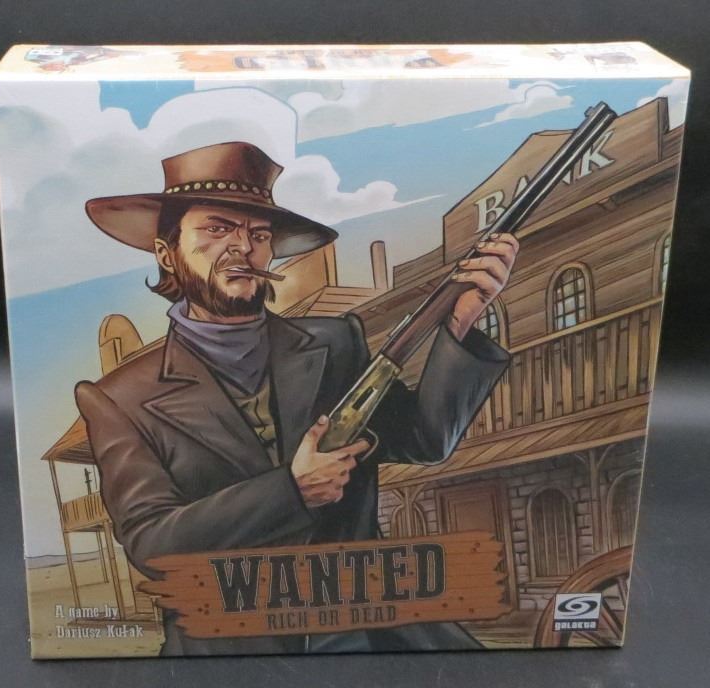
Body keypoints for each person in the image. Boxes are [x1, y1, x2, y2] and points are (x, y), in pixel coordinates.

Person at [76, 141, 518, 655]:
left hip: (363, 633)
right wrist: (292, 491)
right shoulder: (119, 398)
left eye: (259, 234)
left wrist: (460, 324)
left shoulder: (336, 341)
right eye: (217, 229)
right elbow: (152, 544)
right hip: (228, 653)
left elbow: (424, 440)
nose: (242, 247)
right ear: (165, 252)